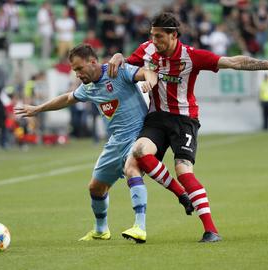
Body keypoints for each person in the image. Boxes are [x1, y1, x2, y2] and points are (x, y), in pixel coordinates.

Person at [108, 12, 268, 243]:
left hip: (184, 120)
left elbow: (234, 62)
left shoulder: (192, 56)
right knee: (138, 152)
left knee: (183, 170)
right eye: (152, 35)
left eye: (159, 36)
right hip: (156, 118)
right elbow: (126, 63)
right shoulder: (147, 50)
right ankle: (181, 195)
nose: (154, 41)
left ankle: (211, 230)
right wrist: (117, 55)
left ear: (173, 35)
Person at [15, 44, 190, 243]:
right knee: (95, 188)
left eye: (79, 69)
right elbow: (66, 98)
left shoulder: (119, 71)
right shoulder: (88, 87)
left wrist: (149, 82)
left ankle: (140, 227)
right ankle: (101, 230)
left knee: (131, 168)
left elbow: (148, 72)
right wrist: (38, 109)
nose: (78, 74)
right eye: (74, 70)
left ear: (92, 62)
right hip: (115, 142)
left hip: (138, 136)